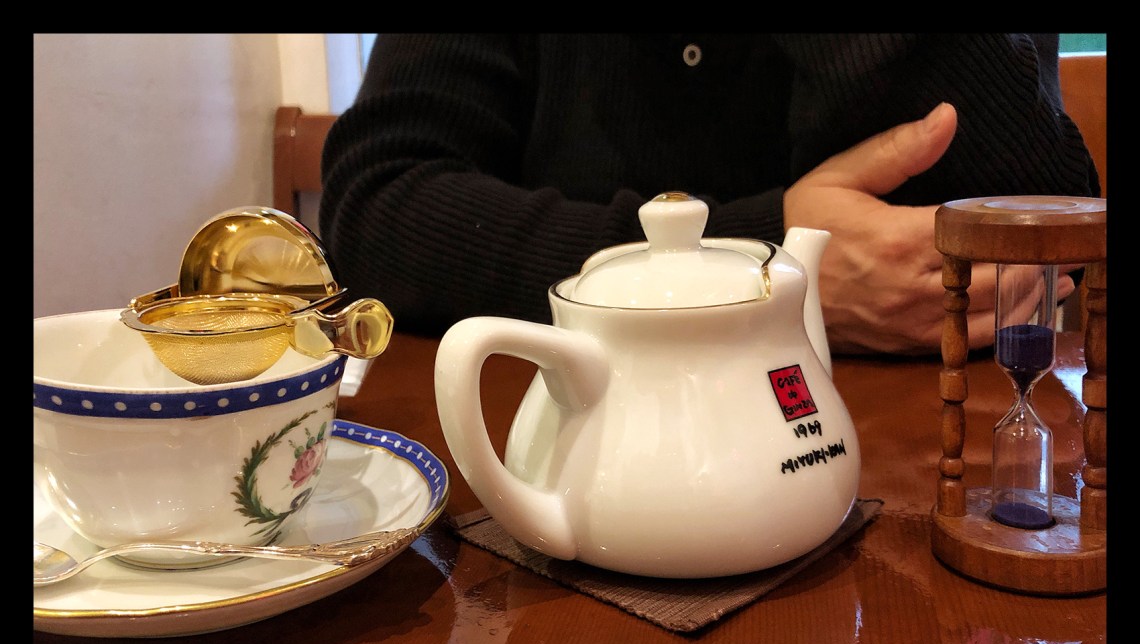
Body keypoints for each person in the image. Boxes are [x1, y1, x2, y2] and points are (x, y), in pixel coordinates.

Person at [319, 34, 1100, 356]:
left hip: (905, 476)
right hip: (573, 454)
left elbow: (1044, 219)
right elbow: (377, 205)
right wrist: (762, 270)